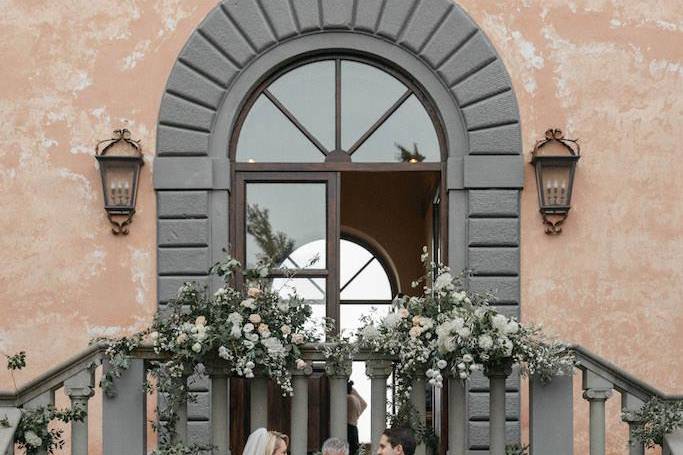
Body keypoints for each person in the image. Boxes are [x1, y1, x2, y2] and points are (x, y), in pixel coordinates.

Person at [347, 381, 367, 455]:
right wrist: (356, 416)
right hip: (353, 426)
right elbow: (364, 404)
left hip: (347, 426)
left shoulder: (348, 396)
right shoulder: (352, 393)